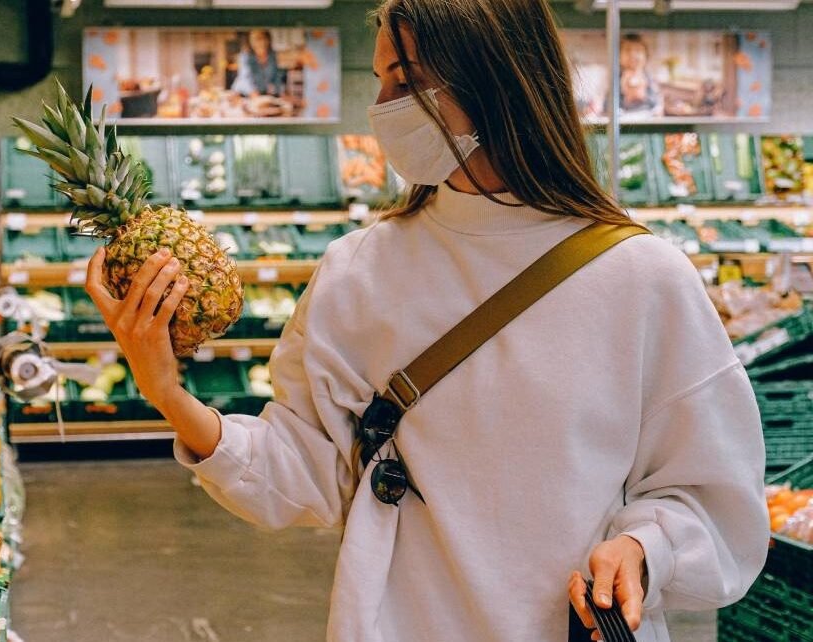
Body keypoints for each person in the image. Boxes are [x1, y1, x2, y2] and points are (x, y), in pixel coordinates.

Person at [83, 0, 769, 640]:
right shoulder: (361, 270)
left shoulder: (641, 279)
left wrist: (645, 548)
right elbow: (301, 472)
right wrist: (168, 394)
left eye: (405, 82)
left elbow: (715, 498)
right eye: (381, 81)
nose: (382, 109)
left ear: (494, 81)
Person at [230, 29, 283, 97]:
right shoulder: (245, 56)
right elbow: (245, 78)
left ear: (268, 40)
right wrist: (253, 92)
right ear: (250, 41)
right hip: (243, 93)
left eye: (263, 38)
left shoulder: (272, 56)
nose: (261, 42)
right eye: (256, 39)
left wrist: (277, 90)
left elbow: (276, 77)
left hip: (262, 93)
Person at [619, 34, 660, 115]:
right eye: (627, 50)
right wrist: (625, 99)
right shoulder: (616, 79)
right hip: (624, 118)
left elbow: (655, 101)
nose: (632, 55)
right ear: (618, 57)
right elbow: (608, 104)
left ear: (646, 56)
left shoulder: (649, 78)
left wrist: (644, 97)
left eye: (638, 50)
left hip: (646, 117)